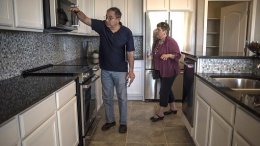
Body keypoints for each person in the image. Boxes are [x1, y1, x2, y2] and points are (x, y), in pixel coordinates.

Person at [70, 7, 135, 133]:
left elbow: (130, 53)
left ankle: (123, 123)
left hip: (121, 71)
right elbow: (85, 19)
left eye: (110, 18)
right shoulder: (102, 26)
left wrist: (131, 70)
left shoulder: (127, 32)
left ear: (118, 19)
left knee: (122, 98)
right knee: (107, 97)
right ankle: (110, 121)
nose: (107, 20)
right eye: (106, 17)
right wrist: (77, 11)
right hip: (105, 70)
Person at [150, 22, 181, 122]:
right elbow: (155, 53)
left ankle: (160, 112)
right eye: (157, 29)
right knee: (167, 89)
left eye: (158, 29)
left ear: (165, 31)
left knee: (163, 91)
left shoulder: (171, 41)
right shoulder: (157, 41)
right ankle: (173, 108)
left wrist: (168, 55)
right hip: (161, 70)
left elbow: (178, 55)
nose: (156, 31)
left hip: (170, 70)